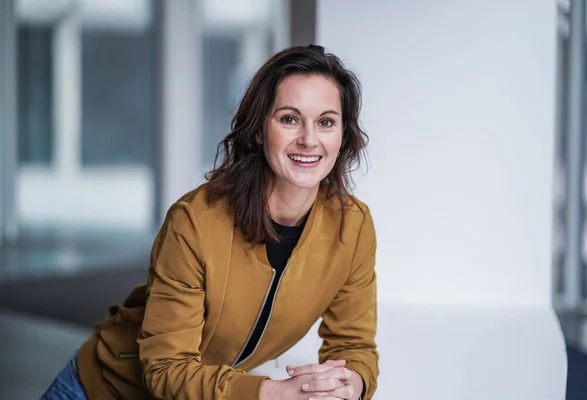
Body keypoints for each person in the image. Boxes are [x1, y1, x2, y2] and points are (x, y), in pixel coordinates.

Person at [41, 44, 378, 400]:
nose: (309, 139)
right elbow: (167, 368)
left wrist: (346, 385)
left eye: (326, 122)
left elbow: (354, 346)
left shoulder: (352, 228)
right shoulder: (195, 222)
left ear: (343, 136)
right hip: (104, 389)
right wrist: (271, 393)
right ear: (260, 130)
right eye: (289, 119)